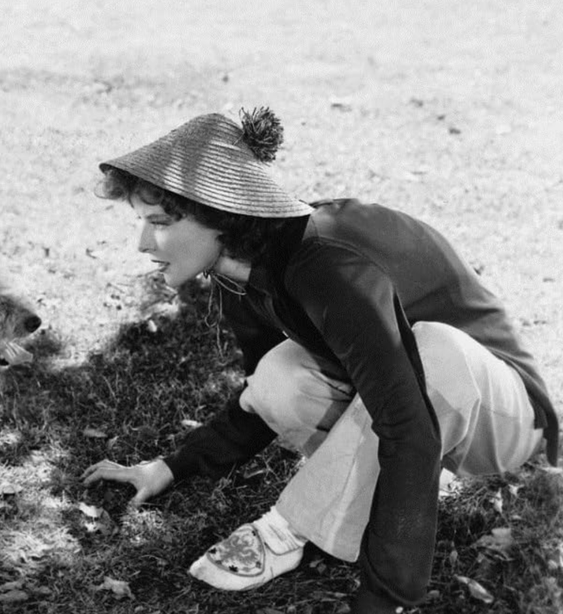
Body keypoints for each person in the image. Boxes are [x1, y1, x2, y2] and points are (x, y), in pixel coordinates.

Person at [80, 108, 558, 613]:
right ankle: (379, 487)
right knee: (277, 377)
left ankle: (286, 531)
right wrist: (171, 468)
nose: (141, 244)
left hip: (503, 415)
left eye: (158, 223)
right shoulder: (236, 268)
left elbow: (407, 423)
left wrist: (382, 600)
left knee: (433, 350)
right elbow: (260, 395)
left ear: (220, 214)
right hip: (413, 404)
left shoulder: (329, 267)